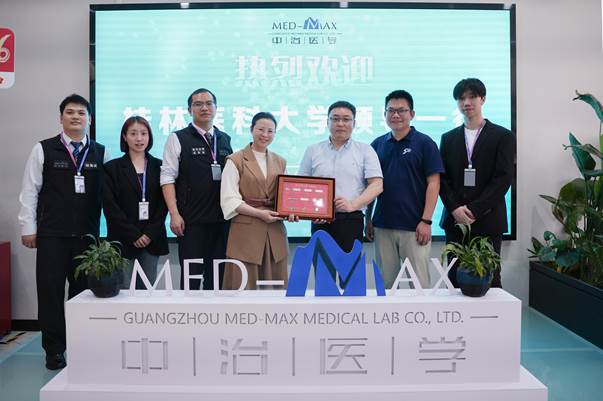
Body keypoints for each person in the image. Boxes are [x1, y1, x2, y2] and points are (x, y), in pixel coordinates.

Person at [18, 94, 110, 370]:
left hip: (87, 238)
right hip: (52, 236)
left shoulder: (101, 152)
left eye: (81, 113)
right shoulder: (43, 149)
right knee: (50, 294)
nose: (75, 117)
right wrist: (28, 227)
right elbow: (30, 190)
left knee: (83, 295)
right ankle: (54, 350)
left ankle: (81, 347)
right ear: (61, 118)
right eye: (70, 112)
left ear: (90, 119)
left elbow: (109, 196)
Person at [439, 78, 516, 288]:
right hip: (456, 221)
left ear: (483, 99)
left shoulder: (503, 136)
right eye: (461, 98)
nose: (466, 102)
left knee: (490, 280)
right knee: (454, 280)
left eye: (472, 97)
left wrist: (474, 209)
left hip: (488, 219)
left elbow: (503, 178)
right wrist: (455, 209)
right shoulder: (448, 138)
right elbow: (442, 179)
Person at [298, 100, 383, 286]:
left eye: (346, 119)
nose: (340, 124)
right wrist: (311, 211)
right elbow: (302, 186)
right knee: (324, 281)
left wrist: (353, 204)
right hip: (320, 223)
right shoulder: (313, 150)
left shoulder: (365, 150)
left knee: (351, 281)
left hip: (351, 220)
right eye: (335, 119)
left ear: (354, 122)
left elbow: (377, 185)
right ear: (327, 122)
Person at [366, 90, 444, 289]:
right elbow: (371, 186)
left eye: (401, 110)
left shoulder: (425, 143)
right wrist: (368, 219)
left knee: (419, 286)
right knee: (386, 286)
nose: (395, 115)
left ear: (412, 114)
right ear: (384, 114)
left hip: (415, 227)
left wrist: (426, 221)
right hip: (383, 226)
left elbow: (434, 183)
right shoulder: (377, 145)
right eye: (390, 110)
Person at [160, 88, 233, 290]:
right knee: (190, 282)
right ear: (189, 110)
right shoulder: (178, 138)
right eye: (198, 104)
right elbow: (167, 177)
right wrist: (174, 214)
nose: (204, 108)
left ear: (216, 108)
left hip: (221, 222)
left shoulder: (225, 139)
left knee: (217, 282)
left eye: (209, 103)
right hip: (191, 223)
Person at [220, 112, 297, 290]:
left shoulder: (280, 161)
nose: (265, 135)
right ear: (251, 129)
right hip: (246, 231)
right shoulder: (235, 160)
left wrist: (292, 211)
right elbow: (229, 199)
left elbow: (286, 197)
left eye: (270, 131)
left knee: (275, 287)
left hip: (274, 231)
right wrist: (259, 213)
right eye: (261, 129)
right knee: (243, 285)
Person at [103, 116, 168, 289]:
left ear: (149, 136)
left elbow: (164, 205)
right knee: (122, 290)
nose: (139, 138)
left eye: (143, 133)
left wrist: (148, 234)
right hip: (122, 238)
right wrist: (134, 235)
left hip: (151, 239)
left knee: (147, 291)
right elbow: (110, 207)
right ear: (125, 137)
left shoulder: (160, 167)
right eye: (133, 134)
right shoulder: (112, 168)